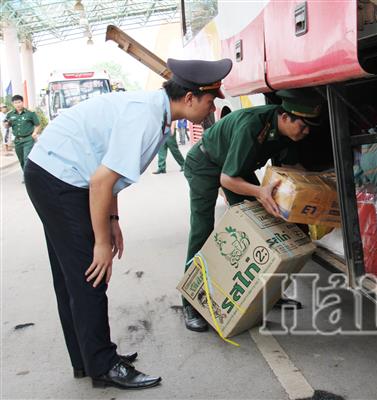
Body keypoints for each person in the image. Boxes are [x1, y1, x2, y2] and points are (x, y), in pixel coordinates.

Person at [24, 58, 232, 390]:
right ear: (190, 98)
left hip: (54, 173)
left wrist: (113, 219)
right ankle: (103, 366)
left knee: (72, 277)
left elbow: (108, 166)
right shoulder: (147, 117)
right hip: (59, 178)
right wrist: (101, 242)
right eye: (210, 100)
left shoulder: (156, 112)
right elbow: (100, 182)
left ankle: (86, 358)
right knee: (91, 274)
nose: (213, 107)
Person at [181, 89, 322, 332]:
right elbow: (227, 180)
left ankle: (267, 293)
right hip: (205, 164)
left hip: (235, 167)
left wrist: (318, 187)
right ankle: (191, 302)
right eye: (304, 125)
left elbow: (292, 167)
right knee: (203, 230)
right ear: (286, 117)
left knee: (265, 224)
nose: (307, 131)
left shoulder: (288, 133)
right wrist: (259, 192)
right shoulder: (252, 127)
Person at [4, 95, 40, 170]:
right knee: (21, 160)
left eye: (19, 102)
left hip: (28, 139)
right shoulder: (10, 114)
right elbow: (7, 125)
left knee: (27, 158)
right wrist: (6, 124)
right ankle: (26, 175)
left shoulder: (30, 113)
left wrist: (35, 133)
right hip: (17, 141)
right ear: (13, 104)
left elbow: (37, 125)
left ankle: (27, 178)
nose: (18, 104)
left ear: (22, 102)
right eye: (15, 103)